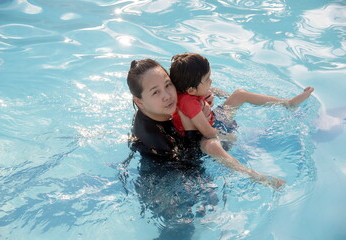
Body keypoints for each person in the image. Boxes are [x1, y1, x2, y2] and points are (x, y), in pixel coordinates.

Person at [126, 58, 289, 189]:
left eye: (168, 84)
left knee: (240, 102)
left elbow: (193, 88)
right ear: (139, 102)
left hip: (200, 134)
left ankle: (287, 105)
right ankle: (254, 175)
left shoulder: (167, 102)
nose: (168, 95)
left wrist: (203, 99)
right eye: (156, 92)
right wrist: (193, 125)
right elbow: (190, 163)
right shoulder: (151, 135)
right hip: (169, 178)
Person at [169, 53, 315, 141]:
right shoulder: (188, 103)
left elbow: (211, 89)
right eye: (207, 79)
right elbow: (207, 132)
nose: (211, 81)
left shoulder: (185, 89)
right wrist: (230, 138)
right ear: (191, 90)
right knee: (240, 103)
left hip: (212, 119)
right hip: (210, 131)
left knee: (239, 94)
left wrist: (225, 96)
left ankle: (288, 103)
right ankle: (288, 105)